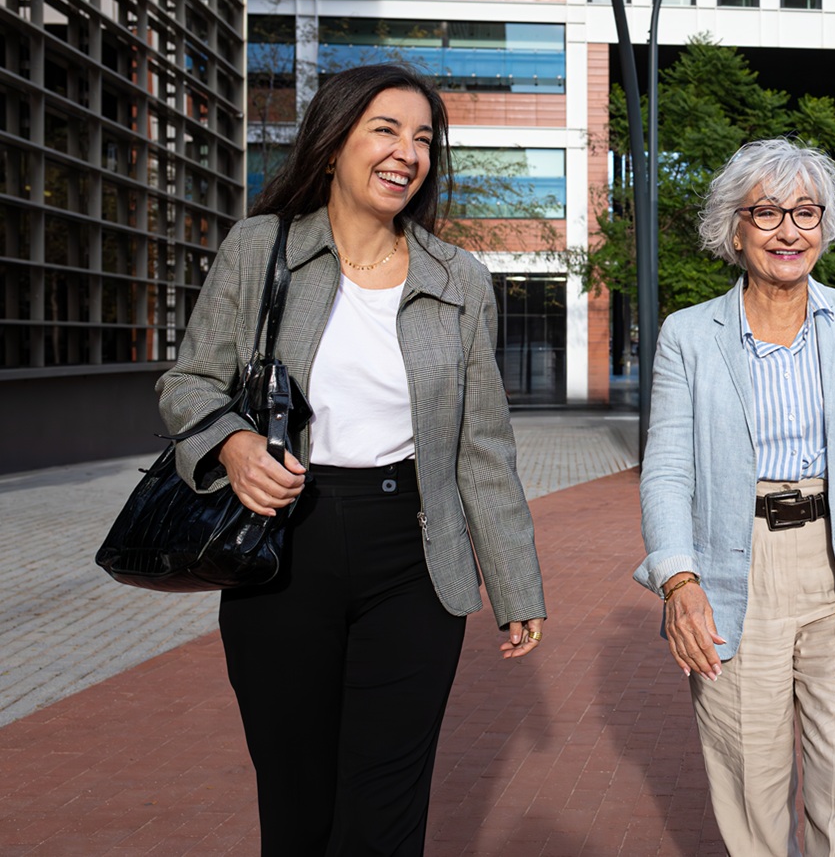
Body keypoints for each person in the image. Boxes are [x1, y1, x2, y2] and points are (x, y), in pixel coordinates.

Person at [156, 64, 547, 856]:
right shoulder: (262, 249)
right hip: (284, 544)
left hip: (414, 552)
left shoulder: (459, 280)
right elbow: (189, 380)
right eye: (386, 129)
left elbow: (483, 448)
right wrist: (233, 445)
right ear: (333, 143)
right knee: (298, 805)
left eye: (425, 138)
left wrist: (514, 584)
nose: (409, 151)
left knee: (386, 809)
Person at [635, 138, 835, 856]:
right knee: (752, 796)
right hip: (737, 571)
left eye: (806, 212)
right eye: (766, 212)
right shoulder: (689, 336)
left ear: (825, 226)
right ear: (733, 229)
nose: (788, 230)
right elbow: (668, 471)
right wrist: (678, 583)